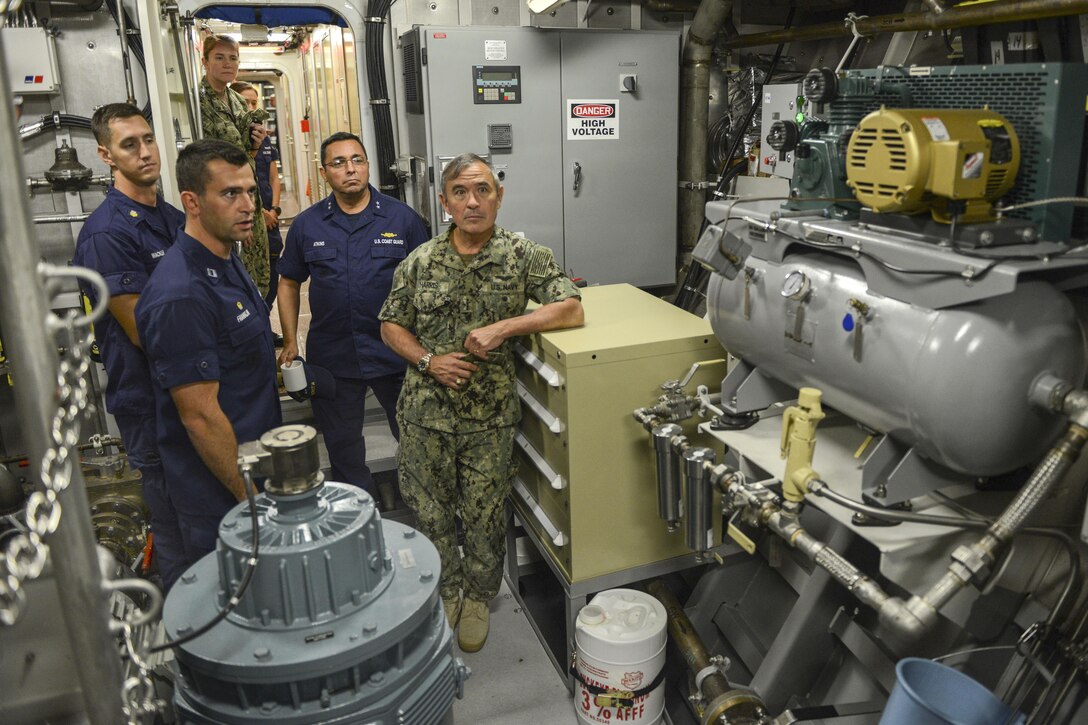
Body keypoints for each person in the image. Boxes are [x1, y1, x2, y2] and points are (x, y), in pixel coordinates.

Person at [379, 153, 584, 652]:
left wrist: (506, 326)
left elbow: (571, 309)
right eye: (461, 193)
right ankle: (445, 588)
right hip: (426, 414)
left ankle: (477, 597)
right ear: (445, 201)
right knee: (429, 511)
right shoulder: (420, 261)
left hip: (488, 419)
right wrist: (429, 361)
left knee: (485, 513)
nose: (473, 202)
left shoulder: (523, 255)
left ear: (499, 196)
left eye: (483, 191)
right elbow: (389, 324)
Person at [135, 139, 282, 567]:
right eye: (230, 194)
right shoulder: (181, 293)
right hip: (219, 495)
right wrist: (248, 498)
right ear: (191, 202)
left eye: (250, 192)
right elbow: (199, 416)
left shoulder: (226, 257)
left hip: (252, 468)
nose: (248, 205)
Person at [72, 103, 188, 590]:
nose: (145, 152)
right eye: (129, 145)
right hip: (150, 397)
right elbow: (144, 329)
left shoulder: (173, 216)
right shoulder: (106, 233)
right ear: (106, 155)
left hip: (189, 385)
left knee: (199, 507)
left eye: (148, 139)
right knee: (173, 516)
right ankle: (186, 622)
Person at [278, 132, 427, 503]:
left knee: (416, 436)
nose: (350, 169)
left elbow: (430, 284)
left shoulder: (402, 219)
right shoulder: (307, 225)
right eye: (339, 163)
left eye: (357, 160)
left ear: (367, 165)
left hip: (395, 353)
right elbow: (289, 282)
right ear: (325, 171)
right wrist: (290, 341)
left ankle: (423, 505)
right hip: (334, 355)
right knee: (344, 449)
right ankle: (360, 515)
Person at [199, 34, 270, 297]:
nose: (228, 64)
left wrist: (255, 144)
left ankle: (259, 324)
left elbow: (244, 154)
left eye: (233, 58)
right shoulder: (199, 102)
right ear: (205, 61)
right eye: (219, 57)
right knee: (233, 277)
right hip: (224, 201)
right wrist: (235, 214)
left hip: (250, 195)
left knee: (259, 272)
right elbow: (208, 164)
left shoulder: (238, 100)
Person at [231, 81, 284, 318]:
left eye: (255, 102)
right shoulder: (233, 140)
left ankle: (264, 316)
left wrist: (274, 209)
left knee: (272, 272)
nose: (252, 107)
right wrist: (259, 213)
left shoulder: (263, 139)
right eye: (246, 102)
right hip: (251, 216)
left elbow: (274, 177)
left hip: (270, 215)